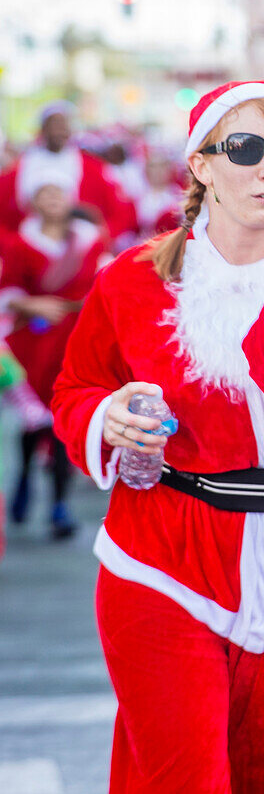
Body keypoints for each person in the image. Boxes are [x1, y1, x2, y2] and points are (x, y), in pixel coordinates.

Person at [51, 80, 264, 792]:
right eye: (245, 148)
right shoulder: (131, 282)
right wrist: (103, 417)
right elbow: (74, 390)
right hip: (161, 561)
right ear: (202, 165)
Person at [2, 167, 108, 539]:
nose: (54, 201)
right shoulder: (19, 245)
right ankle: (25, 478)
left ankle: (59, 506)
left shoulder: (90, 242)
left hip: (74, 340)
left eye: (59, 194)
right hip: (34, 343)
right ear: (34, 201)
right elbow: (9, 292)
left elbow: (101, 288)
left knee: (64, 422)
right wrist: (35, 305)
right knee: (36, 422)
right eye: (45, 195)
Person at [0, 102, 136, 244]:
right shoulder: (21, 168)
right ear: (42, 129)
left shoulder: (94, 167)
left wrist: (100, 237)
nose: (58, 130)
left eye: (63, 124)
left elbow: (122, 211)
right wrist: (10, 243)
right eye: (53, 124)